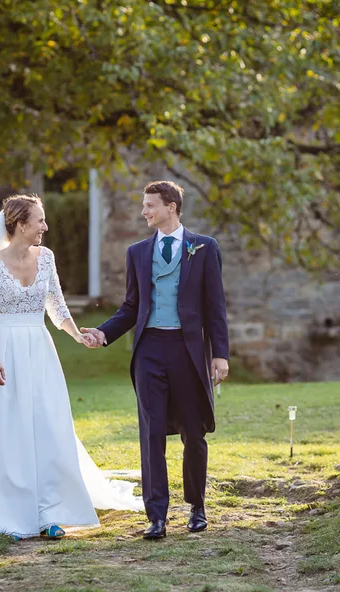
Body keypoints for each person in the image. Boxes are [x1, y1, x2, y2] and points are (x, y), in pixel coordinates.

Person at [0, 194, 143, 540]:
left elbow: (56, 305)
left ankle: (49, 513)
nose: (45, 226)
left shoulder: (47, 258)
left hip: (40, 351)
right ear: (19, 224)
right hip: (6, 351)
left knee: (47, 426)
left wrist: (77, 335)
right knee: (7, 429)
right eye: (39, 220)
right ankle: (3, 515)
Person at [81, 181, 230, 540]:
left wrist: (221, 354)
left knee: (194, 433)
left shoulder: (204, 248)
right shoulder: (137, 252)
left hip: (188, 351)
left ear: (171, 207)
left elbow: (216, 307)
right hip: (149, 351)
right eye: (144, 206)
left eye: (150, 205)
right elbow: (132, 306)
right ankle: (157, 516)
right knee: (151, 435)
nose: (144, 211)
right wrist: (103, 333)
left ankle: (196, 507)